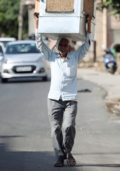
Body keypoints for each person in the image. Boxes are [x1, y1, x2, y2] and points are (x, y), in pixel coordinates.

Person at [34, 13, 92, 167]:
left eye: (66, 45)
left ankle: (67, 151)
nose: (63, 47)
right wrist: (37, 22)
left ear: (69, 46)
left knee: (68, 126)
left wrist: (89, 23)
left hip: (70, 99)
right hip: (54, 99)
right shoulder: (52, 57)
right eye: (61, 45)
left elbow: (87, 45)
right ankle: (60, 156)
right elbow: (39, 44)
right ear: (58, 46)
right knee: (55, 129)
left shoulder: (75, 56)